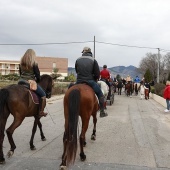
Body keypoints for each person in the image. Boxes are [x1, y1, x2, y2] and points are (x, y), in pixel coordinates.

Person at [75, 47, 107, 117]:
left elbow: (77, 71)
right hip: (90, 81)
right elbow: (97, 74)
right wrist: (94, 79)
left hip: (79, 81)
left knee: (70, 89)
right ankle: (102, 112)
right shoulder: (93, 60)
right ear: (90, 52)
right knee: (100, 94)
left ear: (83, 52)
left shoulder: (77, 59)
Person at [19, 49, 47, 117]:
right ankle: (41, 112)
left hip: (21, 81)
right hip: (30, 82)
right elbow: (37, 75)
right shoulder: (34, 63)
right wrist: (37, 79)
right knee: (43, 95)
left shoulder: (21, 63)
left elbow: (20, 73)